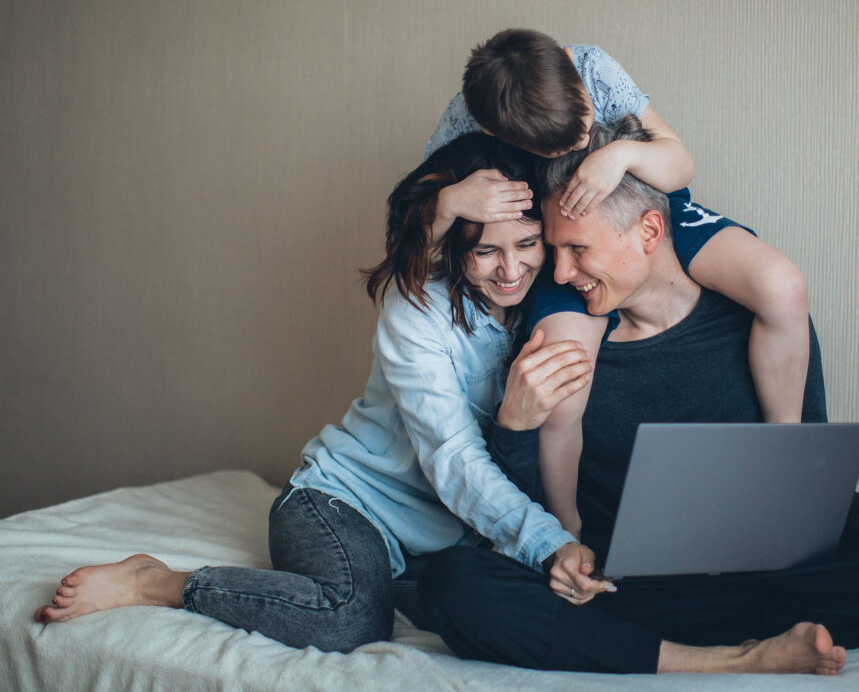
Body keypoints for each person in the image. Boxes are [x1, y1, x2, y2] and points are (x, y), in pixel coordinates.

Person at [417, 118, 859, 676]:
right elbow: (525, 517)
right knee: (453, 585)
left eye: (579, 250)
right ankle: (734, 658)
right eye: (556, 250)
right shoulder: (560, 343)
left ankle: (641, 647)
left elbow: (790, 486)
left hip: (757, 576)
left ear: (650, 233)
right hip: (622, 586)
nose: (560, 272)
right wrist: (514, 428)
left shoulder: (759, 325)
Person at [31, 134, 592, 652]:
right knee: (350, 618)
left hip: (438, 544)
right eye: (486, 252)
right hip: (341, 505)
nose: (511, 268)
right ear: (456, 249)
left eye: (526, 243)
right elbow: (453, 458)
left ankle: (390, 585)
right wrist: (546, 540)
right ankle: (159, 581)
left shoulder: (547, 308)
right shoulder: (416, 310)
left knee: (496, 608)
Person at [427, 28, 810, 538]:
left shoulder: (594, 65)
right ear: (495, 132)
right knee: (563, 391)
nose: (580, 146)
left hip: (646, 206)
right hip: (562, 235)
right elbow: (419, 232)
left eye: (582, 128)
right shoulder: (463, 123)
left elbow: (679, 162)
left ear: (570, 67)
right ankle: (566, 531)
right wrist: (450, 200)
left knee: (781, 285)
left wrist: (622, 155)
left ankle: (787, 453)